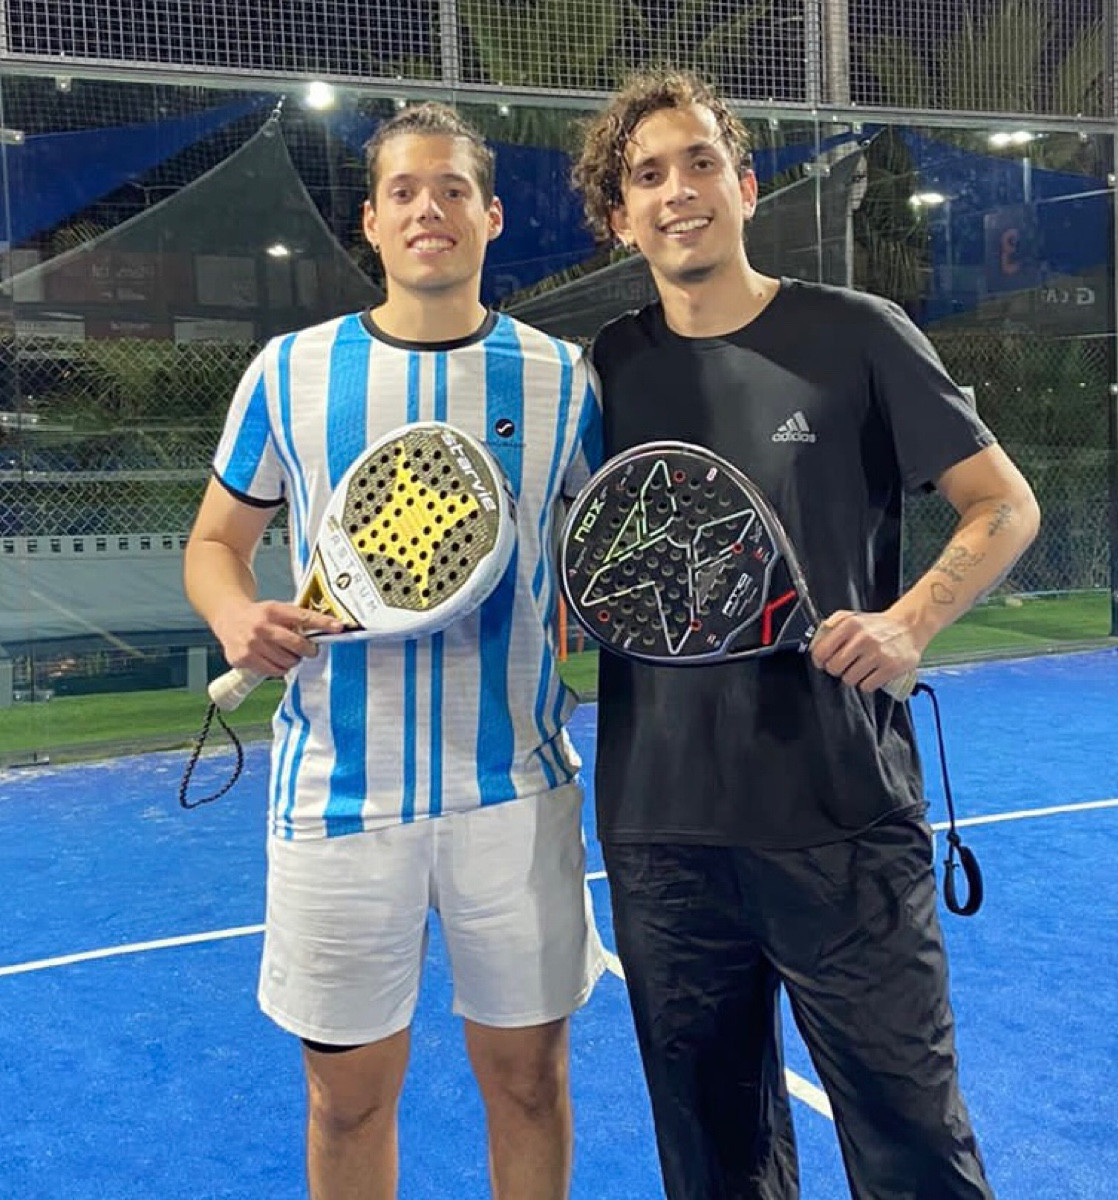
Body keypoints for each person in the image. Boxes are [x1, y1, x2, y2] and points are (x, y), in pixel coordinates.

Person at [571, 69, 1040, 1200]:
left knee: (915, 1154)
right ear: (619, 218)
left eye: (700, 162)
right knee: (714, 1169)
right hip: (664, 837)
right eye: (647, 176)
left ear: (744, 185)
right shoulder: (602, 372)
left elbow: (1003, 503)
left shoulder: (857, 335)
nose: (678, 190)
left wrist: (909, 622)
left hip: (843, 815)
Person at [183, 102, 605, 1200]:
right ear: (370, 222)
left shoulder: (565, 379)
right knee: (347, 1100)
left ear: (491, 217)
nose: (430, 210)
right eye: (404, 192)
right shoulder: (289, 371)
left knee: (529, 1083)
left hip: (516, 792)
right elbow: (216, 545)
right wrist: (235, 617)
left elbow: (602, 546)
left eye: (454, 189)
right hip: (337, 798)